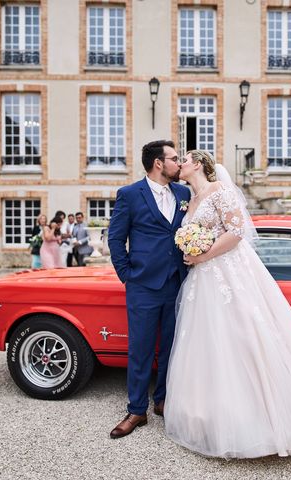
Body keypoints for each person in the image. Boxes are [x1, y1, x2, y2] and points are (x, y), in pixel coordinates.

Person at [164, 150, 291, 465]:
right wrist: (193, 251)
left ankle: (273, 422)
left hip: (228, 273)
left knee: (247, 339)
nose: (179, 165)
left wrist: (201, 255)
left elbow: (235, 233)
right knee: (210, 346)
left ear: (198, 164)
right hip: (203, 281)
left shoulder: (219, 191)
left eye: (184, 160)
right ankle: (212, 419)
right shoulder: (190, 201)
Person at [107, 140, 191, 439]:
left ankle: (163, 401)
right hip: (143, 286)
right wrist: (127, 275)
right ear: (159, 163)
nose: (179, 163)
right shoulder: (130, 194)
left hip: (176, 283)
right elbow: (115, 239)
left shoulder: (183, 193)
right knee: (140, 349)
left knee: (170, 347)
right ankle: (136, 410)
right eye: (174, 158)